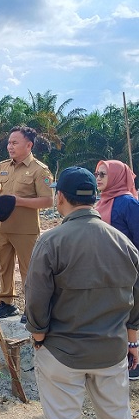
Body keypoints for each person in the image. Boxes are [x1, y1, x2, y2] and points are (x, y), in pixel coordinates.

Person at [25, 166, 139, 419]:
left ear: (60, 197)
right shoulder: (123, 243)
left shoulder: (50, 242)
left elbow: (36, 298)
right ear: (93, 198)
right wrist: (132, 340)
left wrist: (38, 336)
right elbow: (137, 297)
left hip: (62, 353)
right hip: (111, 352)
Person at [0, 126, 53, 320]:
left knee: (29, 269)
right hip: (2, 227)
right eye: (9, 142)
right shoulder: (3, 166)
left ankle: (32, 308)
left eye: (15, 142)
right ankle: (6, 303)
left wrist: (18, 201)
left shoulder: (39, 170)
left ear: (29, 145)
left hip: (25, 230)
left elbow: (47, 201)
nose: (10, 146)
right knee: (4, 267)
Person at [93, 160, 139, 381]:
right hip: (104, 272)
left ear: (117, 176)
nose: (98, 178)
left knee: (129, 316)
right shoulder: (101, 202)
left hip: (126, 273)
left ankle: (132, 362)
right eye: (97, 174)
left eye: (104, 174)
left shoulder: (128, 203)